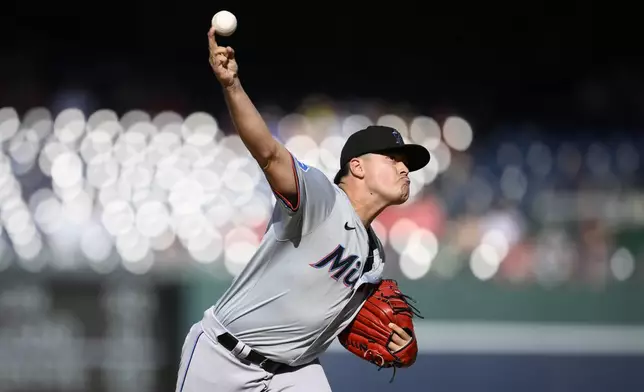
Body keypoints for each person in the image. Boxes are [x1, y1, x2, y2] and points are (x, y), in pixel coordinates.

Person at [174, 26, 431, 392]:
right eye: (392, 158)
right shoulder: (322, 200)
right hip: (224, 358)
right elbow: (269, 153)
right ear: (356, 166)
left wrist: (398, 341)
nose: (404, 168)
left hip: (293, 373)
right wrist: (232, 86)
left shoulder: (374, 257)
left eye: (406, 163)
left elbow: (348, 328)